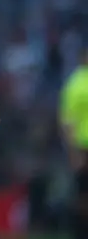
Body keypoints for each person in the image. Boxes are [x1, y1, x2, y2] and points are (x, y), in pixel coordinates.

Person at [60, 49, 88, 239]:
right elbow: (68, 121)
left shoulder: (74, 83)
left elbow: (67, 121)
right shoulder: (76, 83)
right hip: (83, 148)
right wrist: (73, 152)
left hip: (81, 148)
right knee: (83, 195)